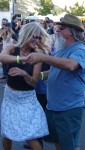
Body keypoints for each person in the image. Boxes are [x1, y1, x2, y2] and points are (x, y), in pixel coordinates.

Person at [27, 14, 85, 150]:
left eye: (61, 28)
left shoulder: (79, 49)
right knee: (59, 141)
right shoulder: (62, 49)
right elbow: (56, 70)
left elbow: (71, 65)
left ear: (70, 31)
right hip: (54, 106)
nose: (58, 30)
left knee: (71, 145)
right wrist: (37, 76)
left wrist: (43, 57)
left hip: (69, 108)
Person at [0, 22, 50, 150]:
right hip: (10, 96)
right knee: (7, 132)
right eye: (34, 36)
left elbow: (33, 82)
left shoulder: (36, 55)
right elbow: (2, 57)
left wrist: (24, 74)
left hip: (27, 98)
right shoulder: (12, 48)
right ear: (27, 34)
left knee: (30, 136)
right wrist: (21, 59)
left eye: (39, 37)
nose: (37, 40)